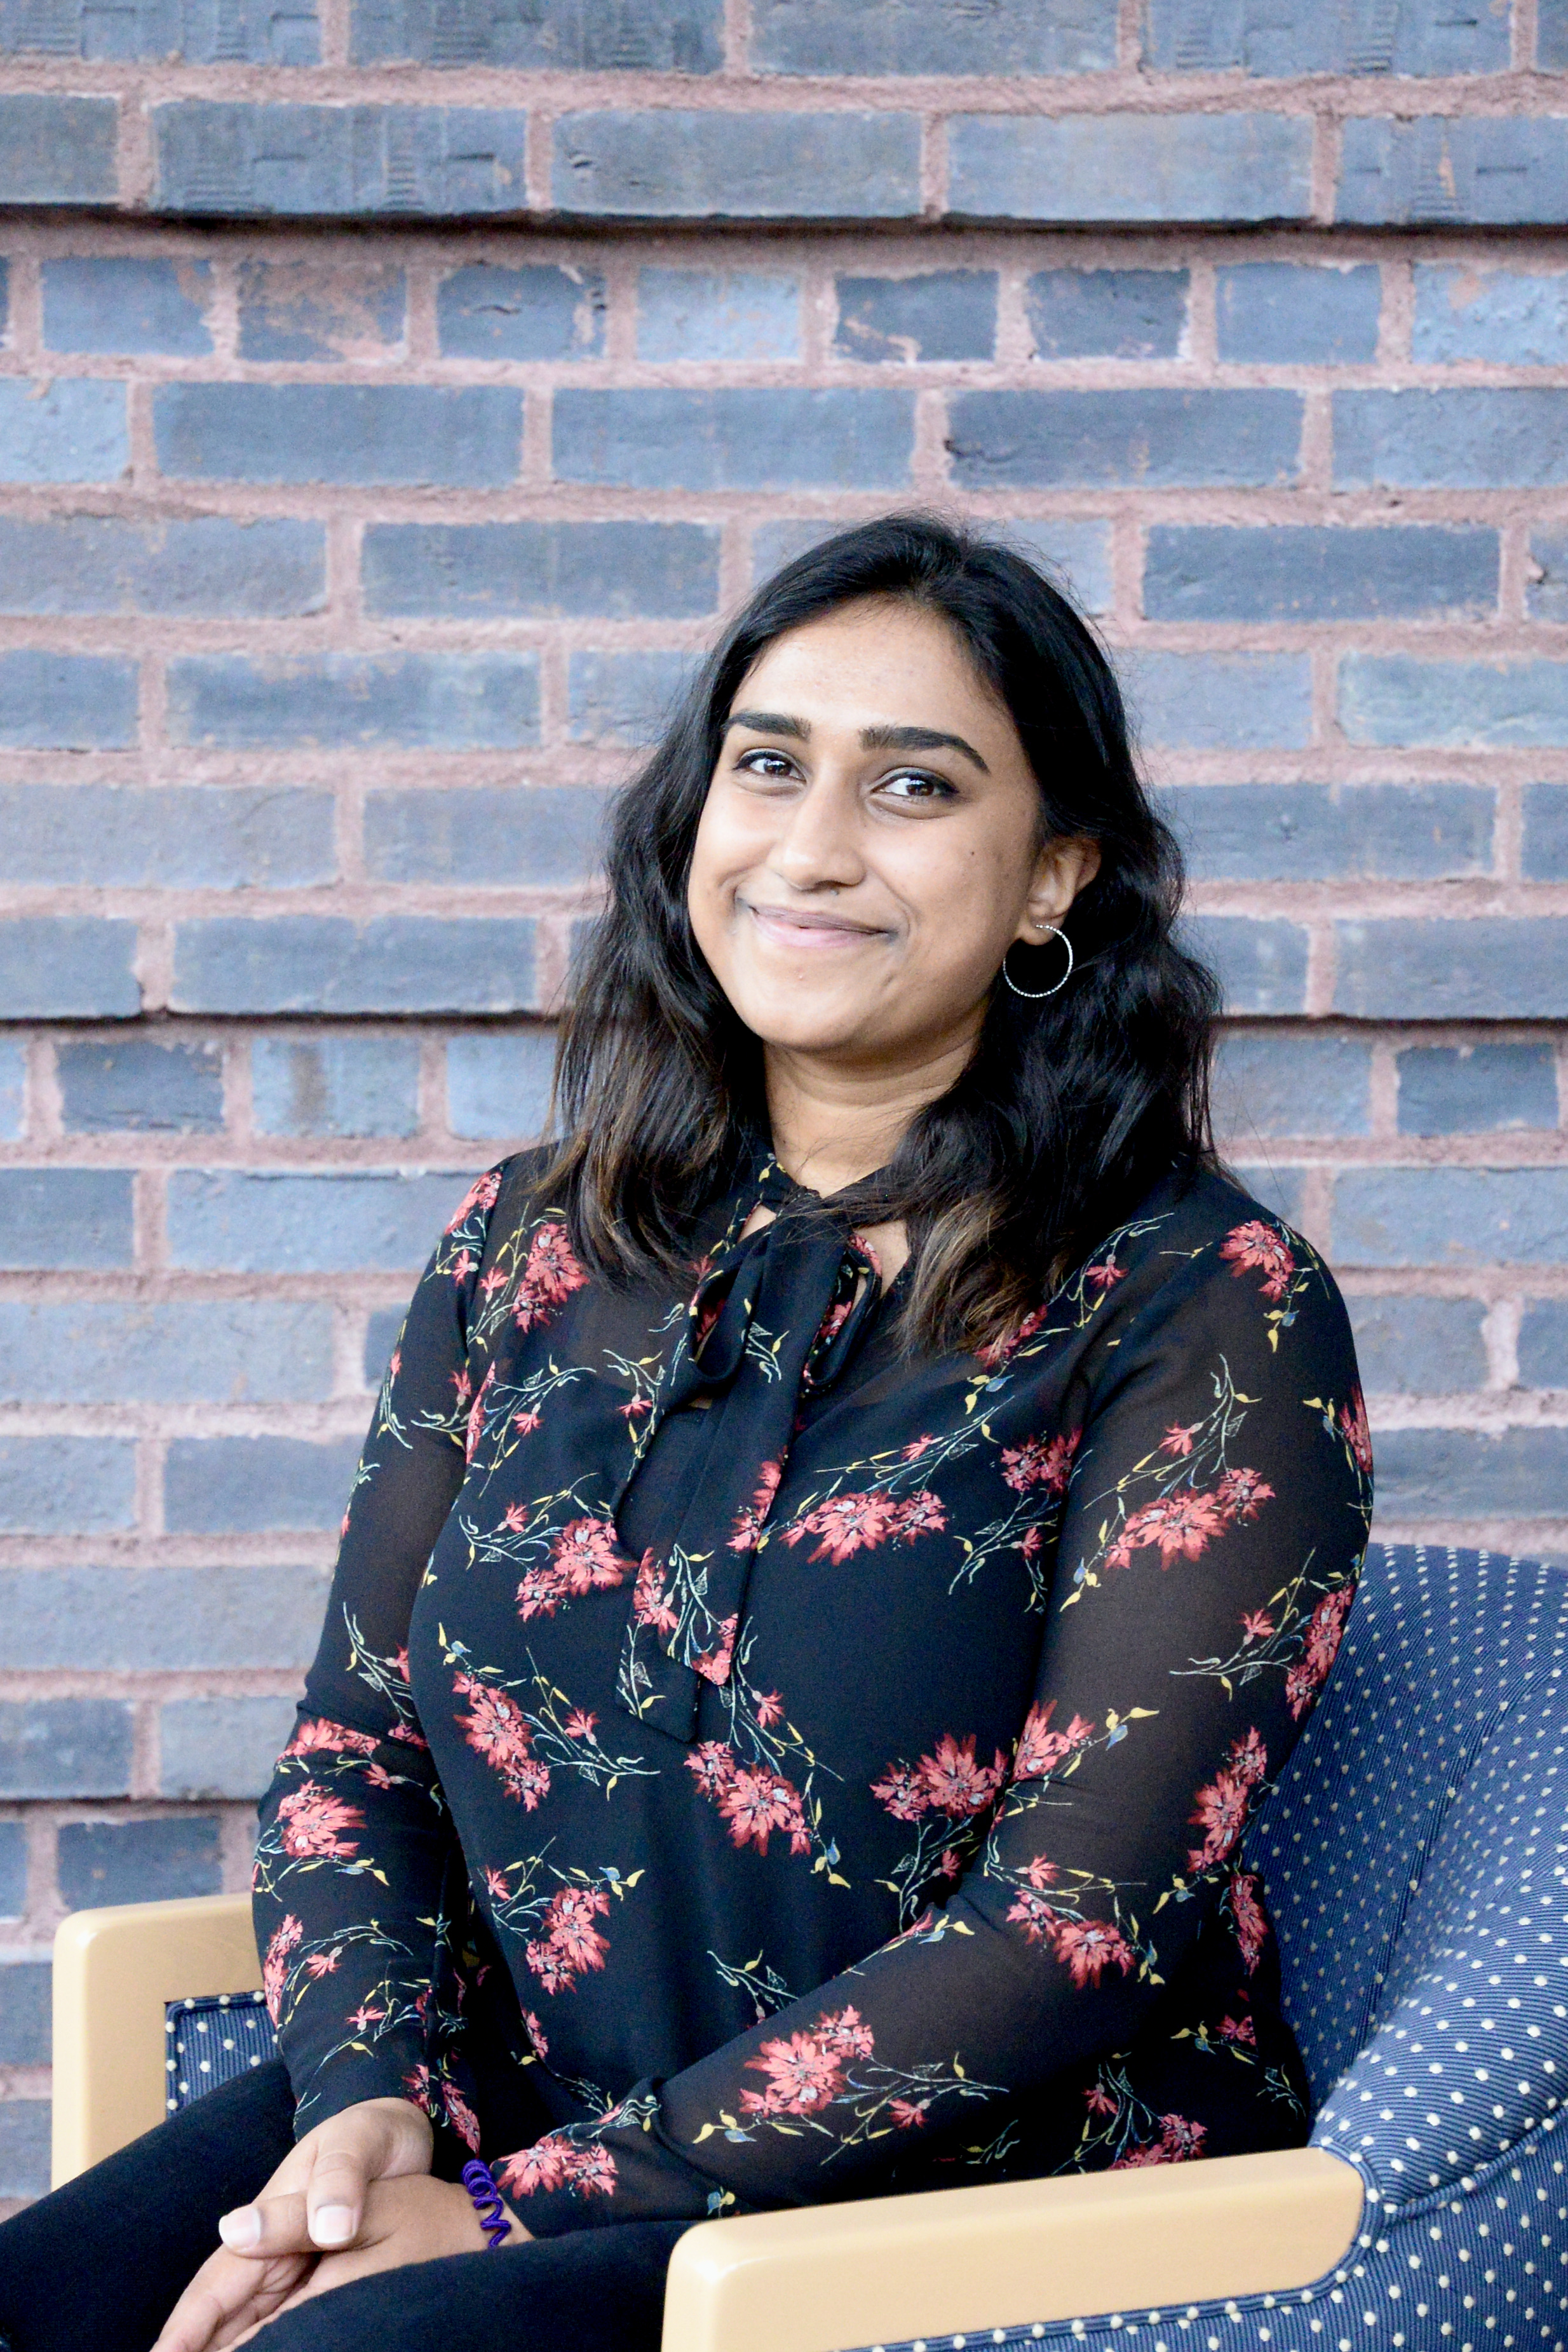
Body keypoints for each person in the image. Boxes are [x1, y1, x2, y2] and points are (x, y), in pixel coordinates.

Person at [0, 515, 1372, 2352]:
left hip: (971, 2200)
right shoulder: (528, 1245)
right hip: (516, 2106)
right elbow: (358, 1753)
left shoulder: (1199, 1304)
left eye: (913, 787)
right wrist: (360, 2116)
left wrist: (501, 2213)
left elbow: (1071, 1933)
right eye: (768, 767)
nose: (810, 848)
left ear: (1053, 875)